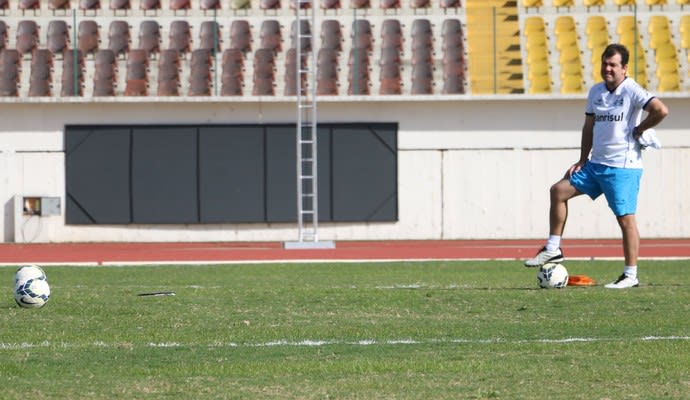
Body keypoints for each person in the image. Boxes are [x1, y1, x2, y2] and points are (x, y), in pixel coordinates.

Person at [524, 43, 669, 289]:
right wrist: (582, 160)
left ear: (624, 68)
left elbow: (661, 110)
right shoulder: (596, 92)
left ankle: (630, 275)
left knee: (625, 220)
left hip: (621, 168)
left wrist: (641, 129)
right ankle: (552, 248)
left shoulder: (631, 90)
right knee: (558, 191)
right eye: (605, 63)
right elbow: (589, 127)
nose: (607, 69)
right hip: (594, 165)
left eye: (613, 65)